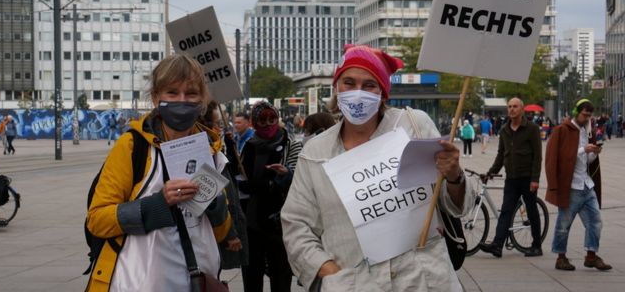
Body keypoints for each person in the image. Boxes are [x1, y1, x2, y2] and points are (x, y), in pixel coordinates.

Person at [281, 44, 476, 291]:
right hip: (354, 284)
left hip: (423, 281)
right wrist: (328, 271)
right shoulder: (315, 152)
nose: (358, 93)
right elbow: (296, 225)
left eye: (369, 85)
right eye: (349, 83)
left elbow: (454, 205)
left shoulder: (413, 126)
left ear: (383, 92)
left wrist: (454, 175)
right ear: (336, 88)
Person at [85, 54, 234, 291]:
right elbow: (97, 220)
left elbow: (221, 231)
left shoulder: (211, 149)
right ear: (155, 98)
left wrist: (214, 203)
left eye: (191, 93)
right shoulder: (132, 147)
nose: (182, 101)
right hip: (139, 283)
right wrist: (157, 204)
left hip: (198, 283)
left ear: (203, 99)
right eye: (172, 93)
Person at [239, 101, 303, 292]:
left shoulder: (290, 145)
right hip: (252, 222)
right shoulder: (249, 146)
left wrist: (285, 175)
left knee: (280, 276)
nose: (268, 123)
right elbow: (241, 177)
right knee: (252, 276)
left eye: (272, 118)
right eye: (262, 119)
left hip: (279, 222)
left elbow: (298, 178)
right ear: (254, 123)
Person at [545, 99, 612, 271]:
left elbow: (585, 160)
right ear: (576, 112)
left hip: (586, 184)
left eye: (590, 116)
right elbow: (557, 156)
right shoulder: (562, 130)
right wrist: (584, 150)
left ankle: (591, 256)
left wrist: (594, 153)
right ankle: (560, 257)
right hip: (571, 187)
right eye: (585, 115)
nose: (587, 118)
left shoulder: (585, 132)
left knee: (596, 221)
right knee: (563, 224)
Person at [479, 98, 543, 258]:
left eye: (515, 107)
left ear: (522, 110)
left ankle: (537, 246)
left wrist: (535, 179)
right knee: (506, 211)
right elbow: (501, 155)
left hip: (527, 178)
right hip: (512, 179)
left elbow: (537, 156)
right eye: (509, 107)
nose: (512, 109)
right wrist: (491, 172)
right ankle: (497, 245)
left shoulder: (532, 129)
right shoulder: (504, 130)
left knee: (532, 211)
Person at [201, 101, 249, 275]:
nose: (219, 129)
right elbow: (214, 198)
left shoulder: (214, 151)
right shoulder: (203, 153)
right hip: (210, 238)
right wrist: (230, 233)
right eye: (217, 124)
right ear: (204, 126)